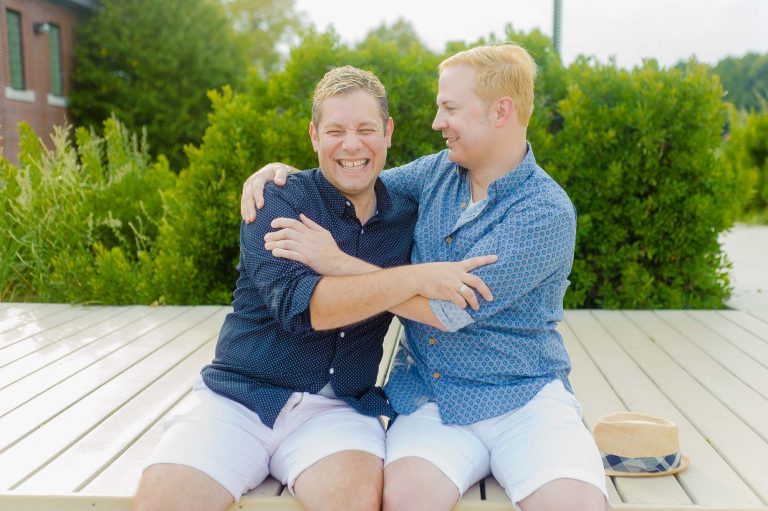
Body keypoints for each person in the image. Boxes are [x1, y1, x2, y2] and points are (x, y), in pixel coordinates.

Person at [241, 44, 608, 511]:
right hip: (428, 397)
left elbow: (446, 310)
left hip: (525, 399)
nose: (438, 122)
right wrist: (283, 177)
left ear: (501, 111)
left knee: (575, 503)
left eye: (450, 108)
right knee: (404, 499)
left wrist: (338, 262)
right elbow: (355, 180)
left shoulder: (545, 213)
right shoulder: (436, 174)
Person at [132, 65, 495, 511]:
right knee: (163, 502)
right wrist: (418, 276)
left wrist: (344, 264)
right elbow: (306, 309)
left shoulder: (408, 213)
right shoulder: (278, 198)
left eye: (366, 130)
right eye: (335, 131)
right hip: (239, 398)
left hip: (339, 411)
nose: (351, 145)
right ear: (314, 136)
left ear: (388, 132)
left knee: (354, 502)